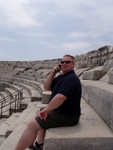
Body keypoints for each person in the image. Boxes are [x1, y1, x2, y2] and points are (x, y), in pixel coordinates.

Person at [15, 54, 82, 150]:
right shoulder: (61, 77)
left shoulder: (71, 78)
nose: (64, 64)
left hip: (68, 116)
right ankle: (39, 143)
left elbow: (60, 97)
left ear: (73, 64)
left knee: (32, 124)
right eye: (62, 62)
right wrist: (52, 72)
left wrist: (46, 110)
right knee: (39, 111)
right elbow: (46, 87)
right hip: (61, 112)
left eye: (68, 62)